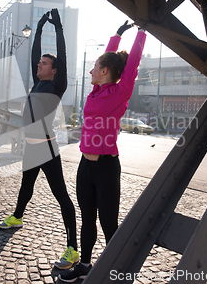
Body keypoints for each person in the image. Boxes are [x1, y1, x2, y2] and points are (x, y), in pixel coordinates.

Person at [59, 21, 146, 282]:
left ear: (105, 71)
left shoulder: (120, 92)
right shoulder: (97, 91)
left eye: (94, 68)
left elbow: (131, 66)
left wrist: (141, 32)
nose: (90, 71)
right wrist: (117, 35)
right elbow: (110, 57)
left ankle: (115, 270)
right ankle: (85, 266)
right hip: (85, 167)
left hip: (106, 168)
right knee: (87, 220)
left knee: (108, 222)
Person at [0, 8, 80, 270]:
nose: (39, 65)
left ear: (54, 70)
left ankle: (73, 249)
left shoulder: (57, 84)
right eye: (40, 63)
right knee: (26, 187)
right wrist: (40, 26)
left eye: (44, 64)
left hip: (47, 148)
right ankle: (17, 217)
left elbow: (62, 57)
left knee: (61, 197)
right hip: (32, 149)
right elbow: (34, 54)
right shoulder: (37, 83)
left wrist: (58, 29)